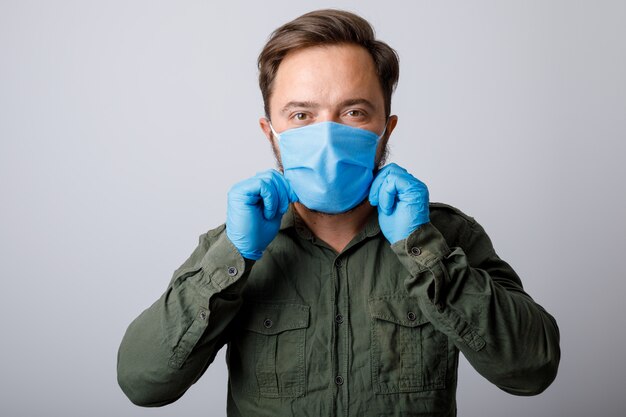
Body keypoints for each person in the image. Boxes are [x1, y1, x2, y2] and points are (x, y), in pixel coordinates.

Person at [117, 9, 560, 416]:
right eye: (301, 115)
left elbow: (532, 370)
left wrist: (423, 250)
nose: (326, 136)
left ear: (386, 128)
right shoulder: (232, 246)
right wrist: (236, 253)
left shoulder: (446, 235)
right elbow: (143, 382)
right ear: (270, 131)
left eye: (353, 112)